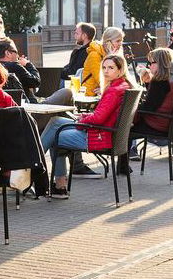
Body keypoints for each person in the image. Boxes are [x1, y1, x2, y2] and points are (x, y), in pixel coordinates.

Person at [40, 55, 135, 199]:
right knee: (56, 121)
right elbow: (101, 116)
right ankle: (52, 180)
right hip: (110, 135)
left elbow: (98, 118)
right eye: (104, 67)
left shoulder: (113, 91)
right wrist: (84, 117)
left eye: (111, 68)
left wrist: (81, 121)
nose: (106, 71)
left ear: (120, 70)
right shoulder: (125, 86)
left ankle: (40, 172)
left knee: (55, 134)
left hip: (99, 137)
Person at [46, 22, 105, 105]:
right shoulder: (86, 50)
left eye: (77, 33)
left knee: (55, 77)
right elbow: (70, 67)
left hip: (81, 87)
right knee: (54, 74)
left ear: (84, 36)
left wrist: (57, 73)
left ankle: (52, 103)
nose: (74, 36)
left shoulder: (86, 52)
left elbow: (74, 72)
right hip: (78, 83)